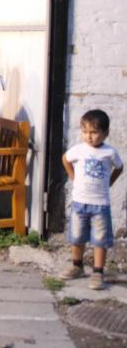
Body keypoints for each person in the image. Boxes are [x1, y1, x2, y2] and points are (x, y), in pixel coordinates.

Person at [59, 109, 123, 290]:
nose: (89, 136)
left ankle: (98, 271)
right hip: (79, 202)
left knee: (100, 239)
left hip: (100, 204)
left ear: (105, 133)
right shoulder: (79, 150)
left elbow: (119, 167)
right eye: (85, 131)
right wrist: (73, 177)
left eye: (94, 132)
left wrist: (109, 182)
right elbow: (65, 159)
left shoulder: (109, 152)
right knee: (77, 236)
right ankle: (77, 266)